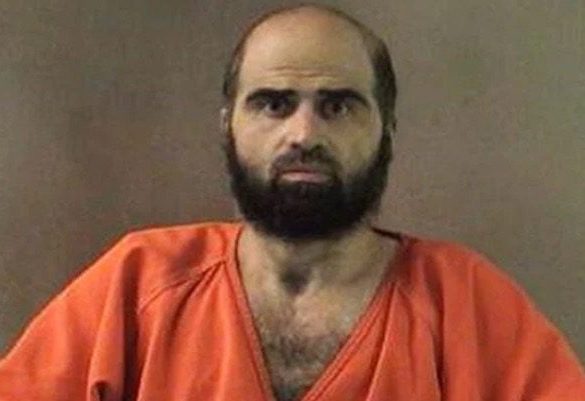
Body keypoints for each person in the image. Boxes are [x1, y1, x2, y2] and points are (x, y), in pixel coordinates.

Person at [0, 4, 584, 401]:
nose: (304, 134)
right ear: (228, 125)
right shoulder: (138, 284)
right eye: (274, 104)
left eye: (338, 106)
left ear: (387, 129)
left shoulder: (468, 304)